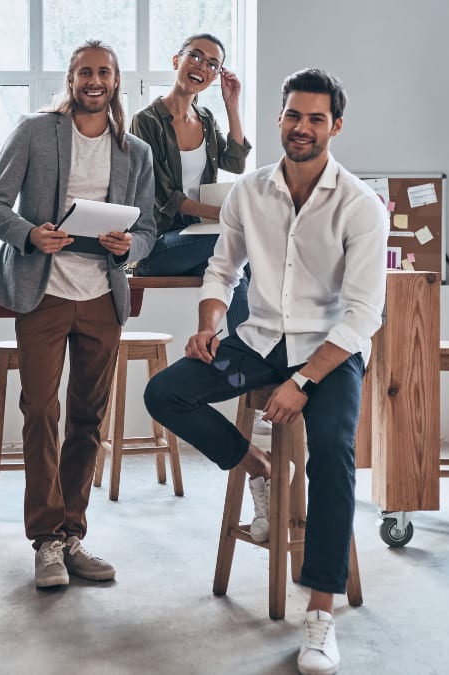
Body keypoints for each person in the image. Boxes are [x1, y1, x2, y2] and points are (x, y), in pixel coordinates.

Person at [143, 69, 387, 675]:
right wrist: (209, 323)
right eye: (293, 115)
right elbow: (221, 271)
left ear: (335, 126)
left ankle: (321, 617)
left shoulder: (359, 204)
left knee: (331, 453)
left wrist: (302, 384)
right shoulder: (248, 192)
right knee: (166, 393)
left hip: (327, 353)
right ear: (279, 118)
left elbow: (363, 317)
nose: (302, 128)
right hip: (257, 342)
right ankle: (259, 471)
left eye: (315, 118)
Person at [0, 40, 157, 589]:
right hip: (44, 291)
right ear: (71, 78)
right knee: (39, 411)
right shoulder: (36, 131)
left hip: (102, 295)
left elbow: (149, 230)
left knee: (89, 416)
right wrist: (31, 233)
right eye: (85, 72)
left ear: (117, 80)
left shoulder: (136, 152)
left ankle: (73, 533)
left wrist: (129, 247)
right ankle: (45, 540)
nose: (94, 81)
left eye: (104, 72)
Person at [129, 33, 251, 338]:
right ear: (176, 60)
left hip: (200, 242)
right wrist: (223, 215)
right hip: (158, 245)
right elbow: (165, 197)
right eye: (195, 56)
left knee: (237, 274)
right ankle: (253, 361)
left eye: (212, 64)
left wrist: (232, 105)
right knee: (236, 244)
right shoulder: (147, 121)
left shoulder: (207, 119)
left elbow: (235, 163)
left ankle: (248, 362)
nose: (201, 66)